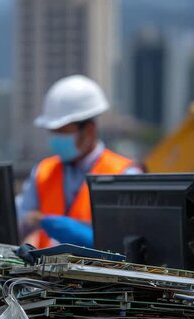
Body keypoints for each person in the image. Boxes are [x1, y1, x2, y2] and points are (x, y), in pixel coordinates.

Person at [17, 75, 141, 249]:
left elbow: (132, 242)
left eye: (62, 131)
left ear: (89, 130)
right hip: (41, 275)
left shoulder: (125, 174)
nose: (56, 138)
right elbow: (21, 223)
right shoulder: (42, 172)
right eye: (53, 132)